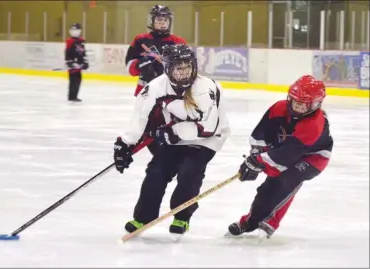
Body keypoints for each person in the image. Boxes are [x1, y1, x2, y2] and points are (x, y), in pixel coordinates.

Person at [113, 44, 230, 236]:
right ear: (168, 68)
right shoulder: (157, 86)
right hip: (174, 138)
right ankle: (143, 217)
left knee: (189, 172)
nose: (184, 72)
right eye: (178, 67)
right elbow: (141, 116)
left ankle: (181, 216)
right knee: (156, 172)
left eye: (187, 66)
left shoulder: (207, 87)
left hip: (206, 140)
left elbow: (207, 128)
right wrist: (126, 143)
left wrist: (172, 133)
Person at [227, 75, 333, 239]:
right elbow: (261, 134)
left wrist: (260, 162)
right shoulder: (279, 108)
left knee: (286, 182)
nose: (297, 107)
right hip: (286, 150)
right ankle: (249, 222)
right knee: (266, 189)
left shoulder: (314, 123)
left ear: (316, 104)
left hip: (313, 157)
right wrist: (255, 156)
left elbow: (287, 156)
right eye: (295, 101)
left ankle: (270, 222)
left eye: (303, 104)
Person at [125, 5, 187, 97]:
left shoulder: (179, 42)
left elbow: (186, 69)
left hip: (170, 91)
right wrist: (141, 64)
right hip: (145, 91)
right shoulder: (140, 40)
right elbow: (130, 68)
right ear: (152, 21)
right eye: (159, 20)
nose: (163, 23)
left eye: (166, 20)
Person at [65, 23, 89, 102]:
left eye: (76, 30)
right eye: (73, 30)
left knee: (78, 80)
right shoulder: (70, 41)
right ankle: (71, 97)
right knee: (73, 81)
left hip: (79, 65)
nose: (74, 32)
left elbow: (83, 52)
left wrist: (85, 62)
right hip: (73, 65)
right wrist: (70, 62)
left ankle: (75, 95)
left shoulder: (81, 41)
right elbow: (67, 53)